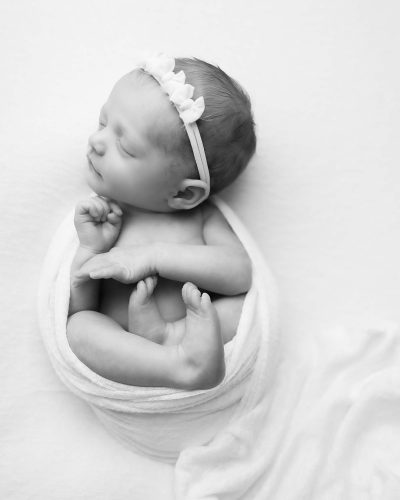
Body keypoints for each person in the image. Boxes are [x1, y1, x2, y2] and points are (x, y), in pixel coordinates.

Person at [66, 53, 256, 390]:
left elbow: (240, 273)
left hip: (189, 335)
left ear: (183, 196)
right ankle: (176, 365)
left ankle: (176, 343)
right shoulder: (106, 220)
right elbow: (80, 305)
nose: (97, 141)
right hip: (130, 354)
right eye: (102, 122)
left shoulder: (202, 218)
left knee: (244, 311)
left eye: (123, 145)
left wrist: (154, 257)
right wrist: (90, 250)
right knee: (80, 328)